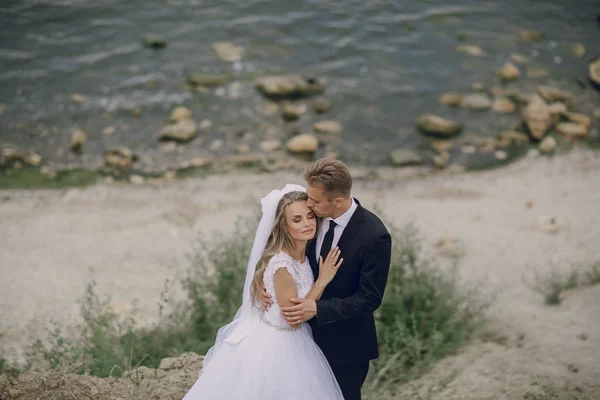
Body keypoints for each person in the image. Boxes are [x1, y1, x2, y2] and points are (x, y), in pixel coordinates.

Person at [183, 185, 345, 400]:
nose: (307, 224)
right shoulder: (281, 264)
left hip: (295, 340)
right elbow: (293, 319)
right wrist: (322, 281)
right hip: (277, 345)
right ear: (285, 227)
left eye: (310, 217)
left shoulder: (303, 254)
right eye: (297, 220)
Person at [261, 158, 392, 400]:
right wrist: (263, 283)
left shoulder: (374, 236)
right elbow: (278, 245)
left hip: (346, 347)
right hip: (301, 342)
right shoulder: (312, 215)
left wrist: (318, 308)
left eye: (314, 200)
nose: (308, 204)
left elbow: (370, 298)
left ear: (337, 202)